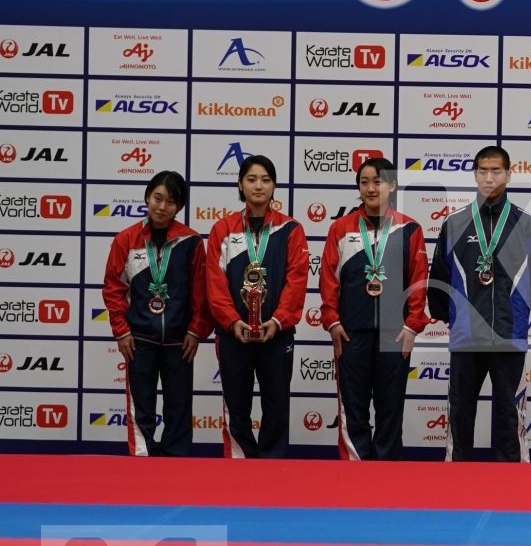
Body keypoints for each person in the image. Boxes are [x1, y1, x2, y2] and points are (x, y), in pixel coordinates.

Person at [429, 146, 531, 462]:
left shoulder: (526, 224)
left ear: (509, 174)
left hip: (509, 336)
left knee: (510, 419)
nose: (489, 177)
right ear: (475, 175)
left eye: (496, 170)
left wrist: (515, 312)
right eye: (483, 170)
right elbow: (438, 275)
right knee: (461, 418)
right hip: (466, 338)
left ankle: (512, 490)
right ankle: (457, 488)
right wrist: (451, 315)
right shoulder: (454, 223)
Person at [320, 158, 430, 460]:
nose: (371, 187)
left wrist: (412, 326)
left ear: (392, 185)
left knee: (390, 409)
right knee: (353, 409)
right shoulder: (341, 228)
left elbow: (418, 280)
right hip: (352, 333)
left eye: (378, 181)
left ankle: (387, 475)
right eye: (364, 181)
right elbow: (329, 279)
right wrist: (332, 321)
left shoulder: (409, 228)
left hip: (394, 335)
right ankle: (354, 473)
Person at [205, 155, 310, 459]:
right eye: (251, 179)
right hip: (233, 334)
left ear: (274, 185)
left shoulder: (291, 229)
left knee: (276, 405)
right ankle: (239, 463)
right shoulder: (223, 229)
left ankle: (272, 466)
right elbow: (215, 283)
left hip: (276, 334)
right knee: (236, 404)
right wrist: (231, 321)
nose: (259, 185)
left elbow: (297, 280)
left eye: (265, 179)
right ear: (240, 184)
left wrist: (277, 321)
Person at [101, 170, 211, 456]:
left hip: (179, 342)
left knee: (178, 408)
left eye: (170, 202)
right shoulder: (126, 239)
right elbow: (113, 288)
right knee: (142, 407)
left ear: (179, 207)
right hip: (139, 340)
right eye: (157, 198)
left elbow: (201, 291)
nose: (162, 207)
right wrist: (122, 331)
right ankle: (142, 460)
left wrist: (196, 331)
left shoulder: (191, 242)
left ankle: (177, 465)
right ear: (147, 198)